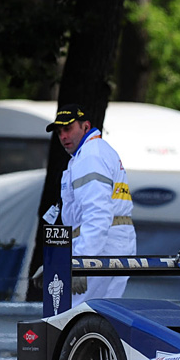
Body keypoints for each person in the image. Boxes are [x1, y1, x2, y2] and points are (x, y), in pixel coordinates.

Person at [47, 104, 135, 304]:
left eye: (68, 129)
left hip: (102, 246)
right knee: (103, 314)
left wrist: (82, 261)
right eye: (59, 132)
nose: (63, 137)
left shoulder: (90, 155)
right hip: (112, 242)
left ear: (85, 126)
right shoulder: (93, 152)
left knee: (79, 315)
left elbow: (98, 213)